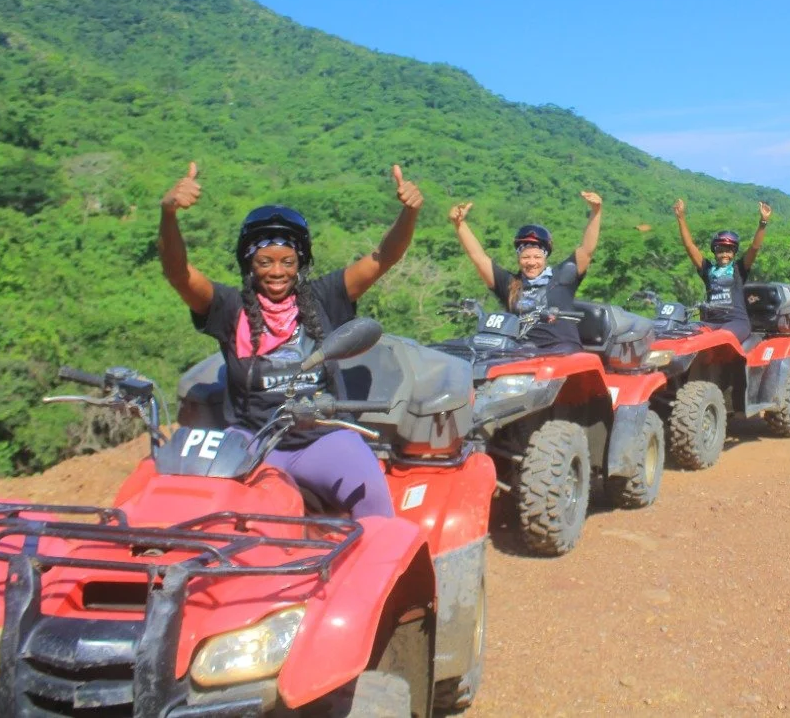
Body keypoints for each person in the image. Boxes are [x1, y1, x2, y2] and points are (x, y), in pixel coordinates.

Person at [158, 161, 424, 519]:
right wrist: (169, 214)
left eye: (287, 261)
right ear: (249, 263)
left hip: (321, 441)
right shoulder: (228, 307)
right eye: (265, 261)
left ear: (300, 261)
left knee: (375, 508)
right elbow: (178, 273)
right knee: (207, 521)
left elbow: (383, 257)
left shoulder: (325, 296)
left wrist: (409, 212)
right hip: (250, 444)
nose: (277, 272)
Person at [449, 192, 603, 351]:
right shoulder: (509, 283)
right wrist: (459, 224)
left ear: (545, 258)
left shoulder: (562, 277)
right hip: (520, 351)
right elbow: (478, 257)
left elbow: (586, 250)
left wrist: (596, 211)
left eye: (537, 257)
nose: (531, 262)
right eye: (525, 257)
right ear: (518, 259)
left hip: (562, 350)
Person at [672, 198, 772, 343]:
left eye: (729, 251)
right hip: (711, 323)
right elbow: (689, 246)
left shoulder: (738, 269)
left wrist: (763, 223)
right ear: (714, 252)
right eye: (720, 250)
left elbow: (755, 248)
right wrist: (680, 218)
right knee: (685, 335)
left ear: (734, 253)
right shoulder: (708, 270)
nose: (724, 254)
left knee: (718, 340)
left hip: (736, 322)